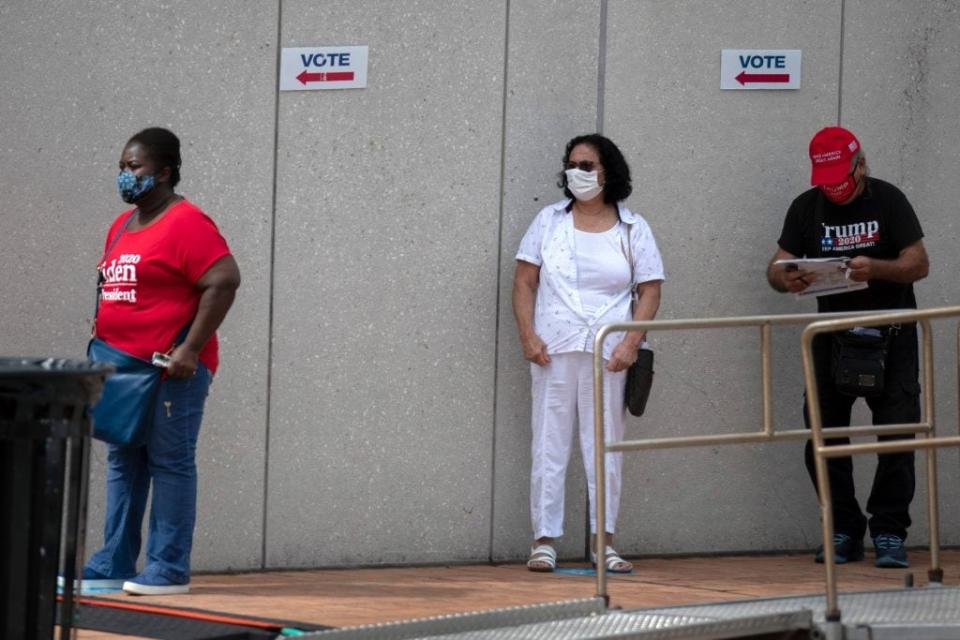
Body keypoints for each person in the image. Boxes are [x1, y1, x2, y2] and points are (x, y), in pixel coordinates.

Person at [83, 127, 241, 595]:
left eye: (134, 167)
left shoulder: (186, 221)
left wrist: (190, 349)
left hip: (170, 371)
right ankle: (113, 561)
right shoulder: (121, 226)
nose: (125, 175)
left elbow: (224, 280)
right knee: (123, 461)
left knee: (169, 463)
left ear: (164, 171)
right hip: (122, 368)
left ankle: (168, 568)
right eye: (121, 167)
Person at [766, 126, 929, 568]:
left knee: (897, 432)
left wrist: (874, 268)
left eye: (843, 175)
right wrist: (788, 276)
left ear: (861, 165)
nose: (836, 186)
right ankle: (842, 528)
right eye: (827, 179)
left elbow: (919, 264)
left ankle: (890, 532)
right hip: (831, 333)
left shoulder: (888, 200)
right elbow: (775, 267)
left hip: (892, 332)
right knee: (822, 433)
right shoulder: (806, 206)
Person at [513, 134, 664, 573]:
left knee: (605, 448)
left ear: (608, 171)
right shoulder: (548, 221)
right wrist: (527, 335)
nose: (578, 172)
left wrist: (631, 342)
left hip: (609, 352)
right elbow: (524, 281)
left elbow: (650, 290)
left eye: (588, 164)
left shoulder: (633, 227)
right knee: (549, 443)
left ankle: (604, 542)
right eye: (572, 164)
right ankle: (544, 540)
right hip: (553, 349)